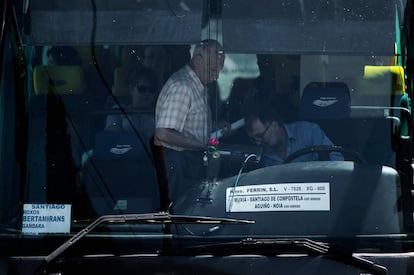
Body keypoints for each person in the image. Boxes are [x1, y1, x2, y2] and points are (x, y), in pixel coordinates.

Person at [154, 39, 225, 201]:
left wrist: (216, 127)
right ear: (198, 60)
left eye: (219, 70)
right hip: (177, 163)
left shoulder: (196, 85)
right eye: (213, 69)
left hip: (187, 161)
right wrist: (202, 145)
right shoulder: (183, 87)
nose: (217, 76)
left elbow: (188, 122)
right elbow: (163, 133)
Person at [245, 108, 343, 166]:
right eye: (254, 139)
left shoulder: (308, 131)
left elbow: (337, 160)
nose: (258, 142)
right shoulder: (260, 155)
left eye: (260, 136)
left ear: (274, 125)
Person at [105, 65, 159, 142]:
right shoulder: (117, 110)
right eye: (142, 89)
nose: (147, 94)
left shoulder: (159, 115)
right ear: (131, 89)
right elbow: (110, 136)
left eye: (152, 90)